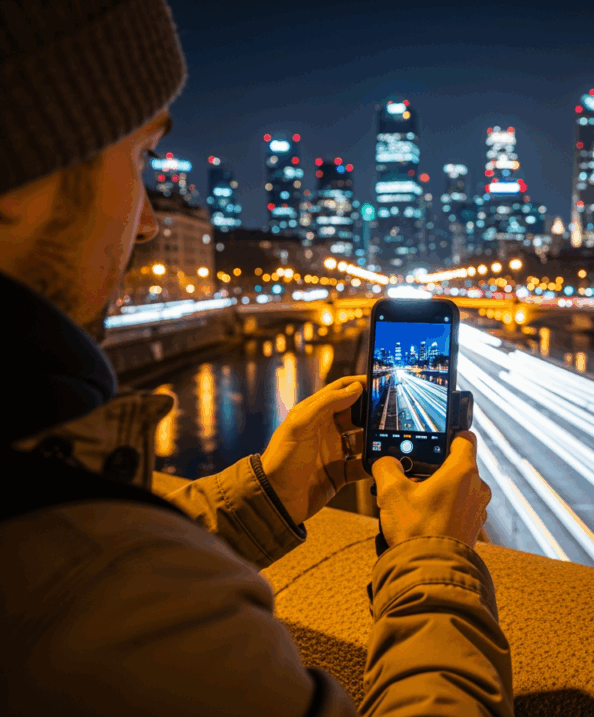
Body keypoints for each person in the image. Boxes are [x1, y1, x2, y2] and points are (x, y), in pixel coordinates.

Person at [0, 1, 511, 714]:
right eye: (138, 157)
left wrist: (268, 494)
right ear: (21, 178)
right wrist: (434, 561)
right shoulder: (98, 606)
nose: (149, 222)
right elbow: (97, 568)